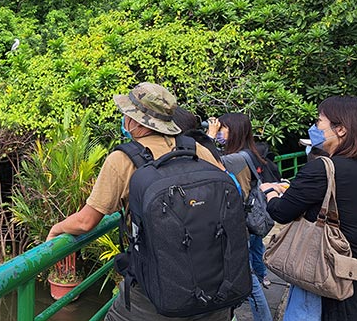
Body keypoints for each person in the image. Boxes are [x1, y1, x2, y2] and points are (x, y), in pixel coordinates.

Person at [46, 82, 231, 321]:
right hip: (213, 286)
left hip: (156, 294)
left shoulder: (123, 159)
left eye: (126, 114)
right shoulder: (195, 148)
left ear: (134, 121)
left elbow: (85, 222)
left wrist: (56, 229)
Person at [263, 96, 357, 321]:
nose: (314, 128)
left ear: (341, 129)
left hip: (330, 274)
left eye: (318, 122)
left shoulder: (323, 169)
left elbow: (281, 212)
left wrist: (271, 193)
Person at [207, 113, 273, 321]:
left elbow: (206, 161)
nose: (220, 133)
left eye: (223, 129)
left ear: (234, 131)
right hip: (248, 219)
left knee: (249, 280)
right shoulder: (248, 153)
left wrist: (209, 137)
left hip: (240, 222)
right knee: (250, 272)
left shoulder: (236, 158)